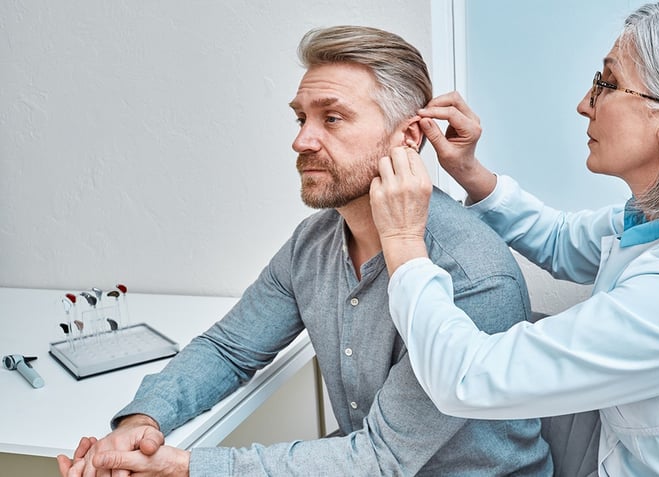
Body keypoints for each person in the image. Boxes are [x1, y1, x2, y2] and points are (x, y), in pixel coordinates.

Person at [57, 25, 555, 477]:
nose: (301, 141)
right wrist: (142, 422)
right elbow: (228, 349)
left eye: (332, 118)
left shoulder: (473, 275)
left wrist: (184, 467)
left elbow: (381, 459)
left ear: (406, 136)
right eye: (301, 119)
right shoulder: (313, 242)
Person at [369, 0, 659, 475]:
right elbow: (563, 241)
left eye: (606, 84)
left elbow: (469, 378)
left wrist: (402, 238)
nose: (585, 103)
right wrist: (468, 172)